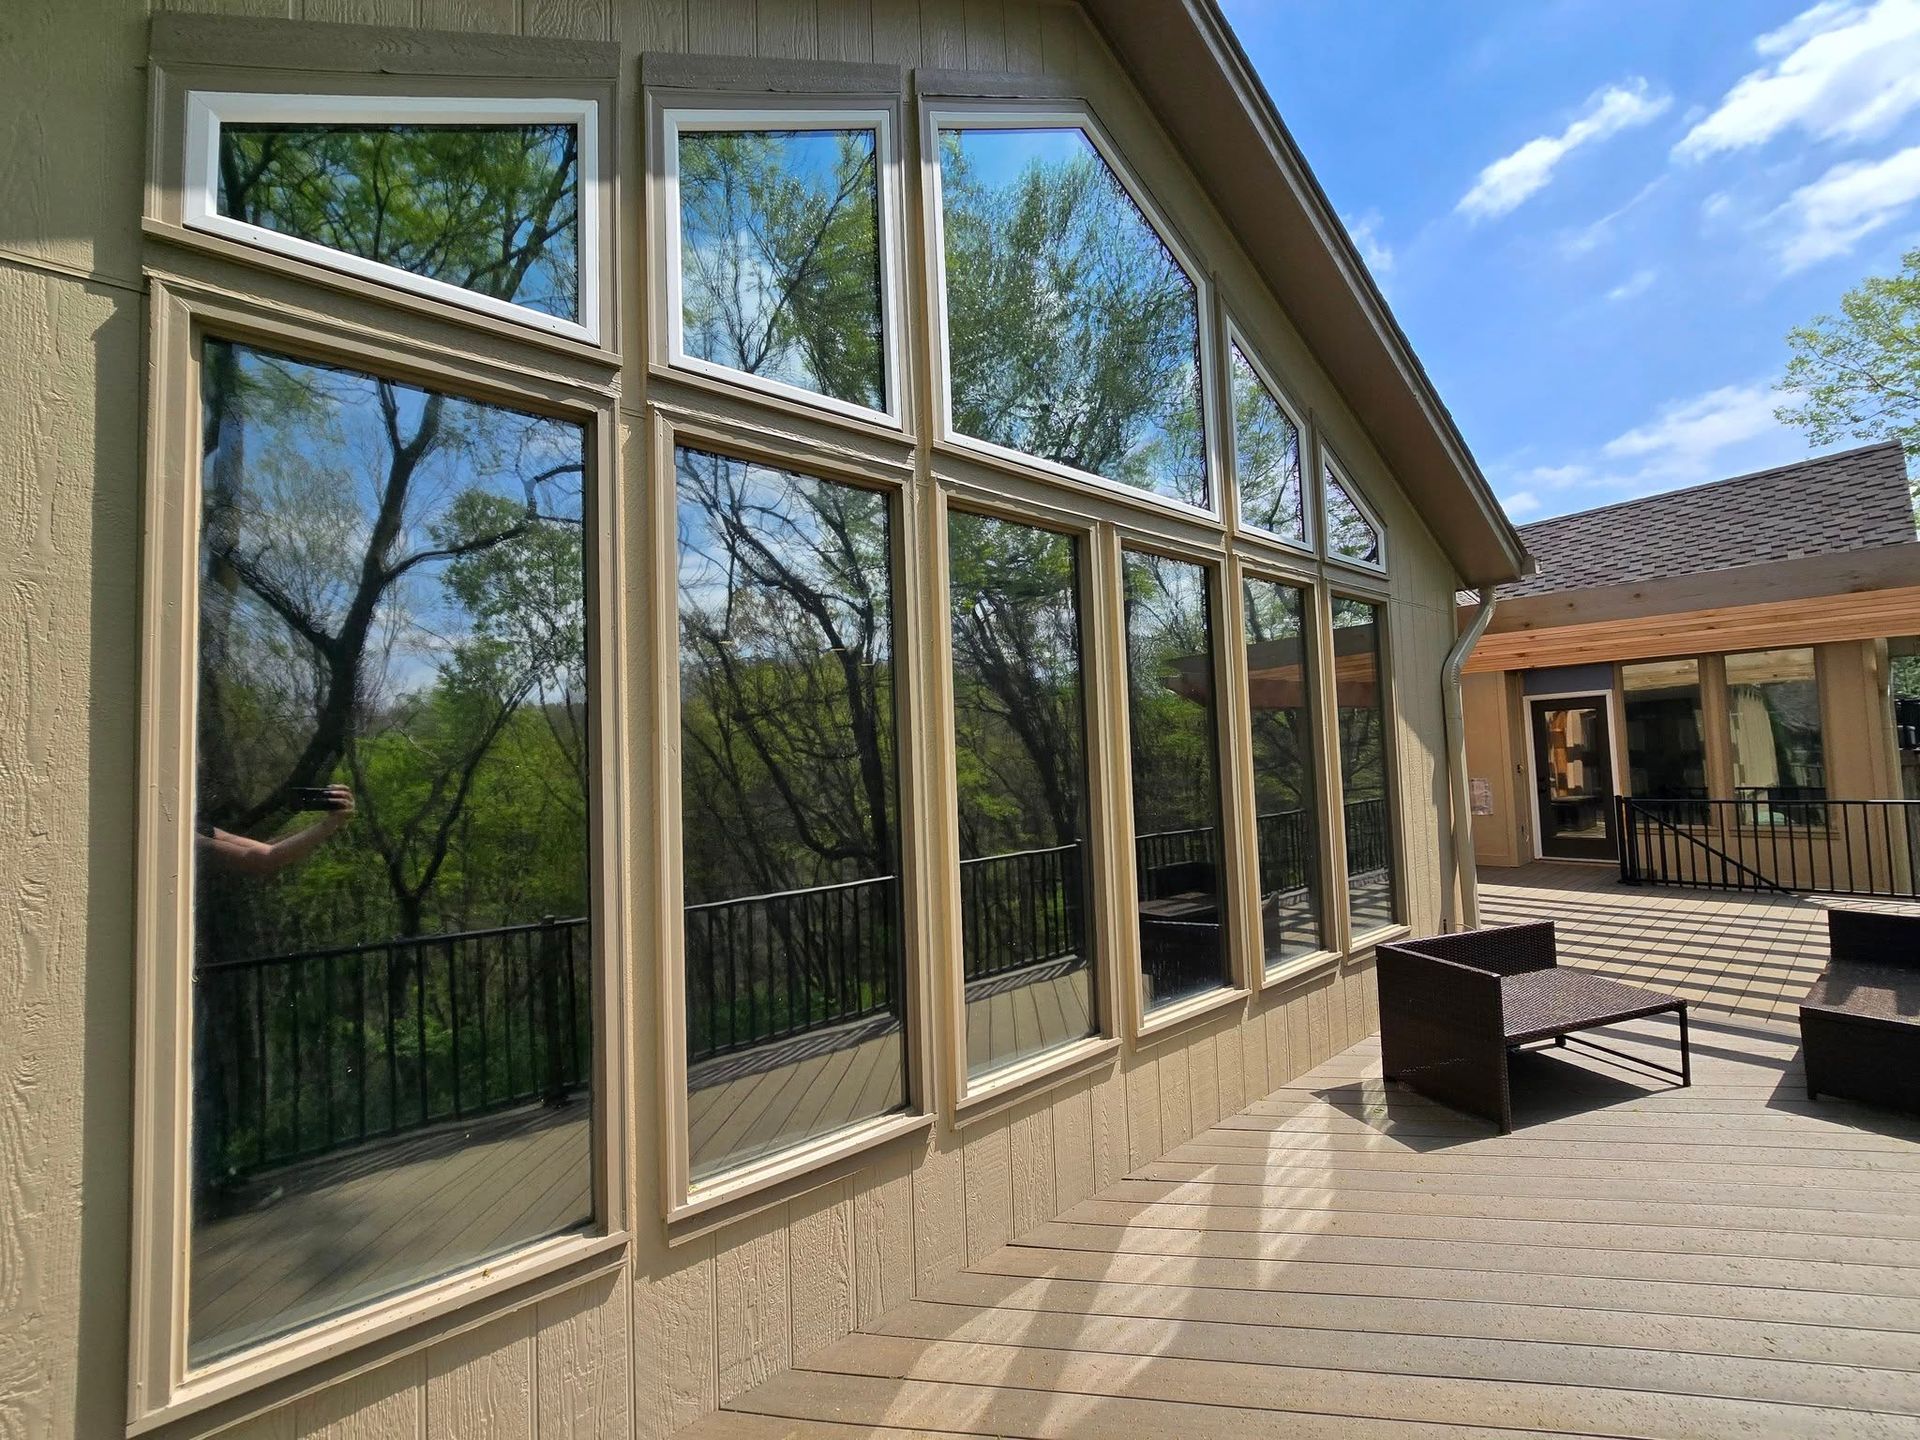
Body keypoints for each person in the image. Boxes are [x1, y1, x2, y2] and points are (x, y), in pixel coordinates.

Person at [197, 785, 355, 876]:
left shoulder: (192, 827)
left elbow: (264, 848)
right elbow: (266, 859)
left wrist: (324, 823)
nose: (197, 763)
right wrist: (327, 826)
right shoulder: (183, 836)